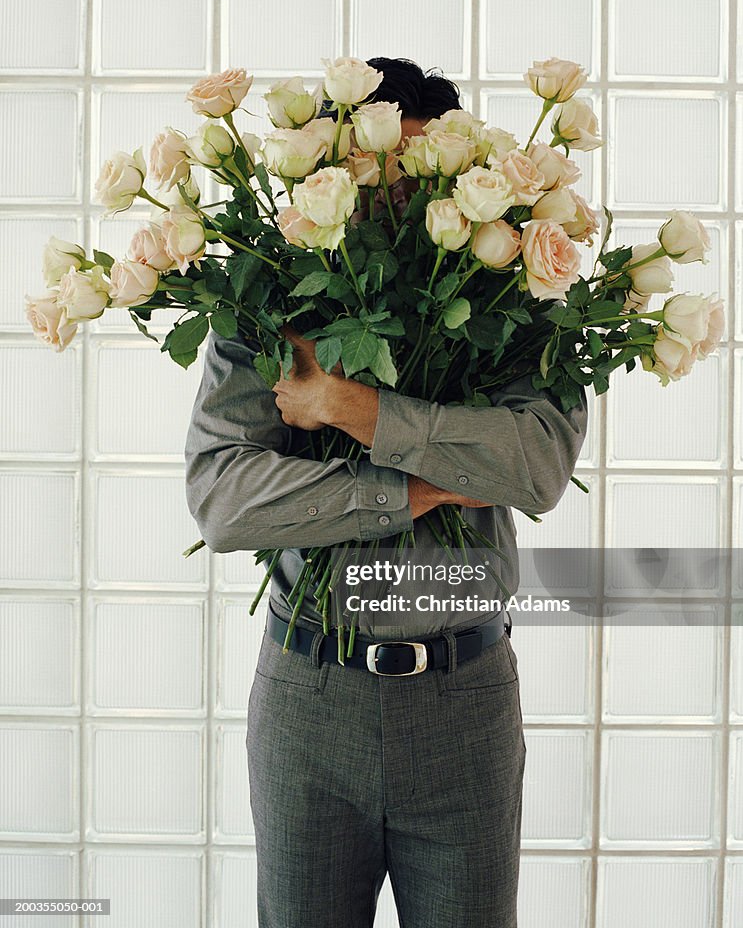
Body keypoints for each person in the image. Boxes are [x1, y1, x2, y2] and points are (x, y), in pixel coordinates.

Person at [184, 57, 588, 928]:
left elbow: (537, 467)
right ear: (327, 167)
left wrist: (355, 409)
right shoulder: (267, 298)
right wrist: (404, 491)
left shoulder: (511, 292)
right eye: (375, 172)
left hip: (465, 695)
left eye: (422, 176)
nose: (394, 197)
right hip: (307, 696)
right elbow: (222, 496)